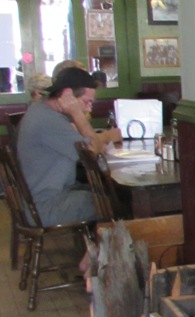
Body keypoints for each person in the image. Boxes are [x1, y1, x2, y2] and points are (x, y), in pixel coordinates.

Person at [16, 66, 121, 226]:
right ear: (67, 95)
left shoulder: (42, 111)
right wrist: (77, 114)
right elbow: (93, 151)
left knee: (106, 195)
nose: (88, 108)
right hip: (45, 206)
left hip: (42, 198)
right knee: (117, 202)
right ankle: (106, 250)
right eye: (86, 102)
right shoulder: (48, 120)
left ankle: (94, 248)